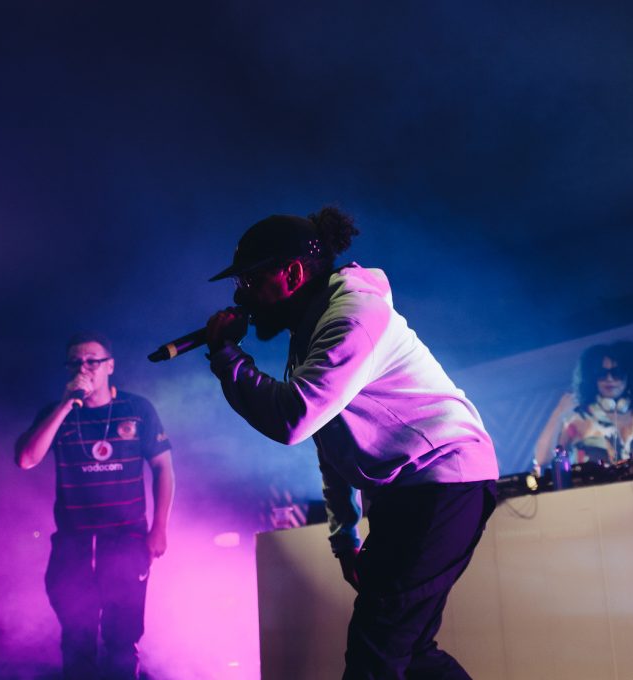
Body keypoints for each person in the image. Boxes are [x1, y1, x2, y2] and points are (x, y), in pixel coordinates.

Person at [204, 207, 499, 680]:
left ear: (292, 273)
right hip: (413, 491)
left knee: (375, 653)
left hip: (442, 481)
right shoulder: (311, 331)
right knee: (410, 654)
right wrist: (345, 538)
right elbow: (330, 441)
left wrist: (227, 356)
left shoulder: (353, 317)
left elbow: (293, 419)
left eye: (252, 280)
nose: (243, 295)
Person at [15, 332, 175, 680]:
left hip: (126, 539)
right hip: (73, 542)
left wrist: (159, 527)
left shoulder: (137, 409)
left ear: (110, 366)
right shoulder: (56, 413)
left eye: (92, 361)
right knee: (76, 639)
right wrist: (65, 405)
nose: (83, 368)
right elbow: (26, 459)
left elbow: (163, 467)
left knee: (122, 640)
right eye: (75, 362)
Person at [533, 340, 633, 467]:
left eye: (617, 373)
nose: (609, 379)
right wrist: (558, 413)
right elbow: (542, 460)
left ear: (630, 376)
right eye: (601, 373)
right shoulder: (578, 418)